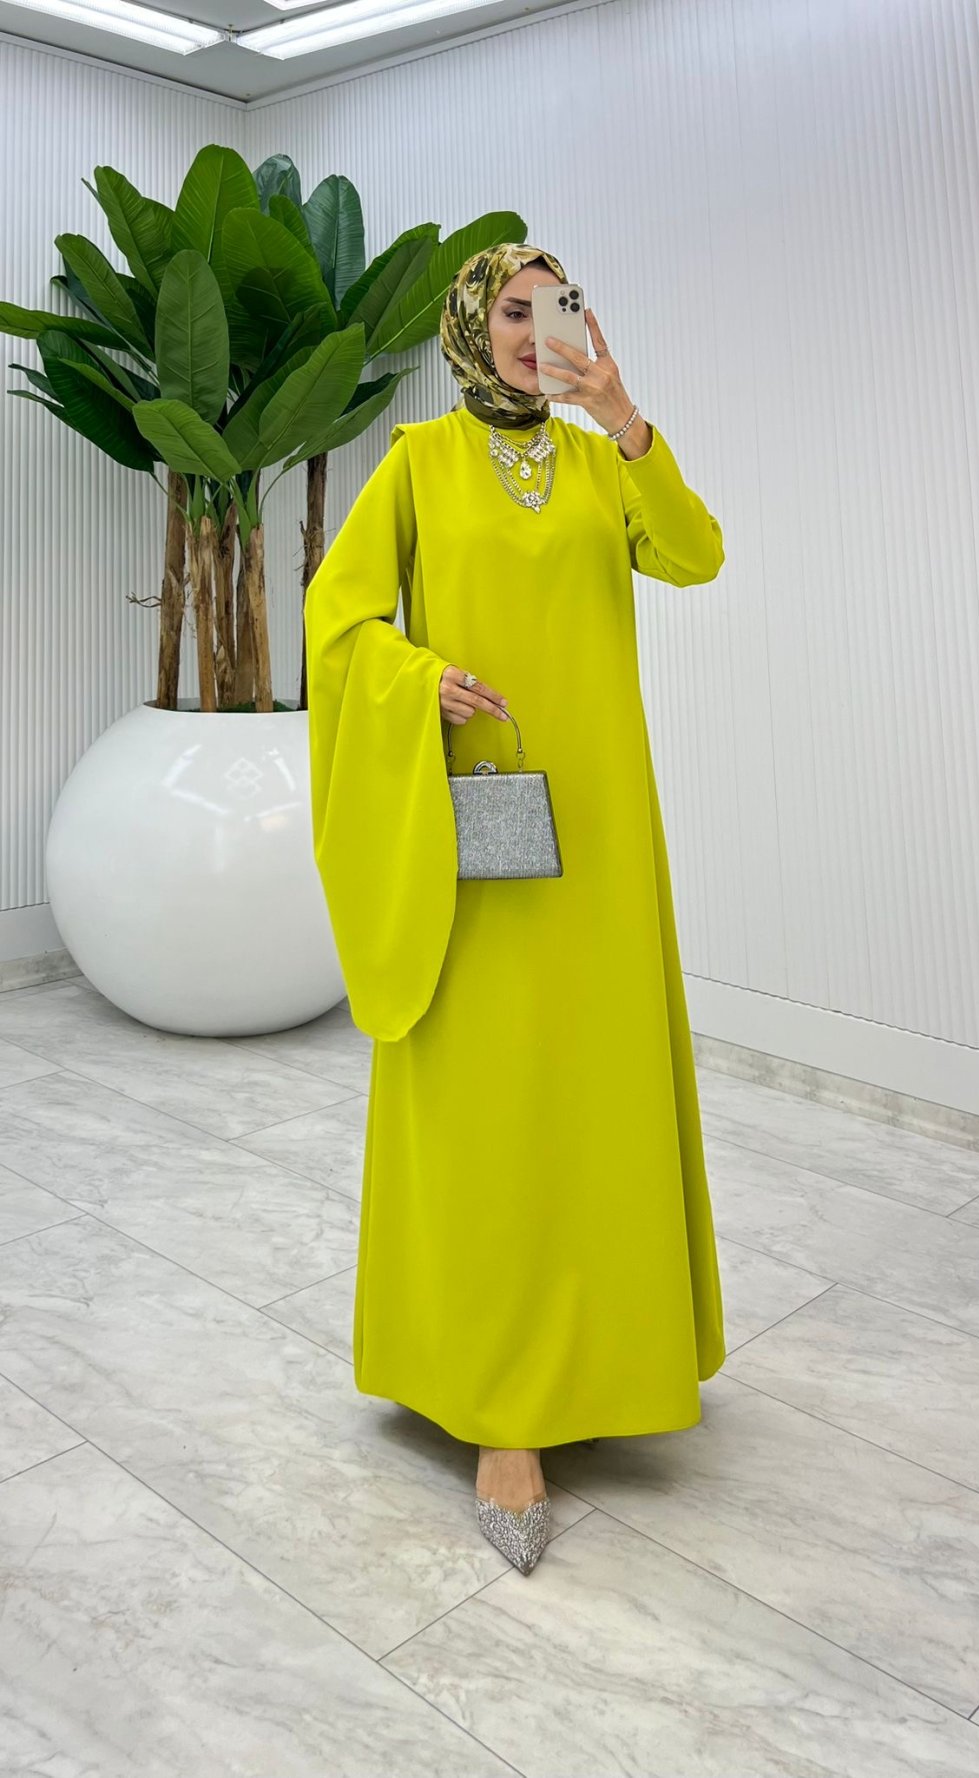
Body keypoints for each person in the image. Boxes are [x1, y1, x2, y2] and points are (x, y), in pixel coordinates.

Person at [303, 243, 728, 1578]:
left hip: (599, 833)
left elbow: (698, 557)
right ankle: (499, 1411)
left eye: (562, 305)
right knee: (487, 1107)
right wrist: (412, 679)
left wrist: (627, 420)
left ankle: (615, 1358)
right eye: (515, 308)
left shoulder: (606, 467)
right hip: (479, 829)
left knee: (594, 1093)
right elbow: (338, 620)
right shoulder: (419, 464)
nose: (541, 328)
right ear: (471, 328)